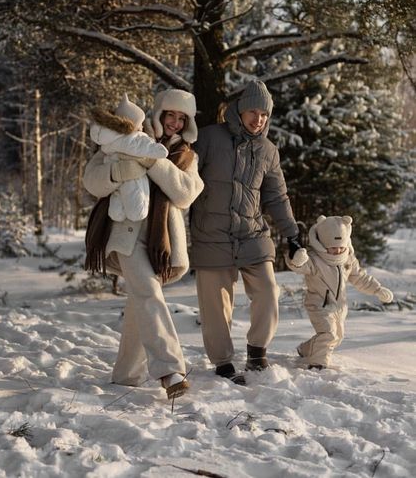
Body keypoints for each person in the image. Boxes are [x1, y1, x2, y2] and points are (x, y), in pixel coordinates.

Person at [84, 89, 204, 399]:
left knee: (141, 299)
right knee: (148, 294)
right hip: (125, 234)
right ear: (159, 114)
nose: (175, 123)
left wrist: (153, 162)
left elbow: (186, 193)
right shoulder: (124, 135)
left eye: (182, 118)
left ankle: (126, 376)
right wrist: (118, 171)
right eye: (170, 115)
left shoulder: (188, 156)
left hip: (161, 241)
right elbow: (92, 181)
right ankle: (170, 370)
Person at [190, 79, 301, 385]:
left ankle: (256, 351)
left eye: (264, 114)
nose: (259, 119)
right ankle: (223, 361)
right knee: (215, 304)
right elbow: (184, 181)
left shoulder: (268, 150)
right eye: (253, 111)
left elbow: (277, 197)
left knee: (267, 291)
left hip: (252, 234)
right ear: (239, 110)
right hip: (212, 234)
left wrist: (291, 235)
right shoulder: (209, 138)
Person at [285, 215, 394, 369]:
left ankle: (306, 349)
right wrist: (296, 260)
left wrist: (377, 289)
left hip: (339, 307)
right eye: (333, 248)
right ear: (322, 244)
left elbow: (360, 278)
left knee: (337, 337)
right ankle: (318, 363)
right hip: (318, 304)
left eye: (341, 247)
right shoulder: (315, 259)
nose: (337, 251)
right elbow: (299, 266)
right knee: (328, 334)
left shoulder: (348, 259)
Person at [89, 93, 168, 222]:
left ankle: (116, 214)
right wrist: (160, 150)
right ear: (131, 125)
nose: (142, 128)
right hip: (132, 176)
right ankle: (135, 213)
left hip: (117, 177)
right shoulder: (131, 139)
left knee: (118, 197)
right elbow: (144, 147)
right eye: (140, 124)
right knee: (136, 201)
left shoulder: (109, 140)